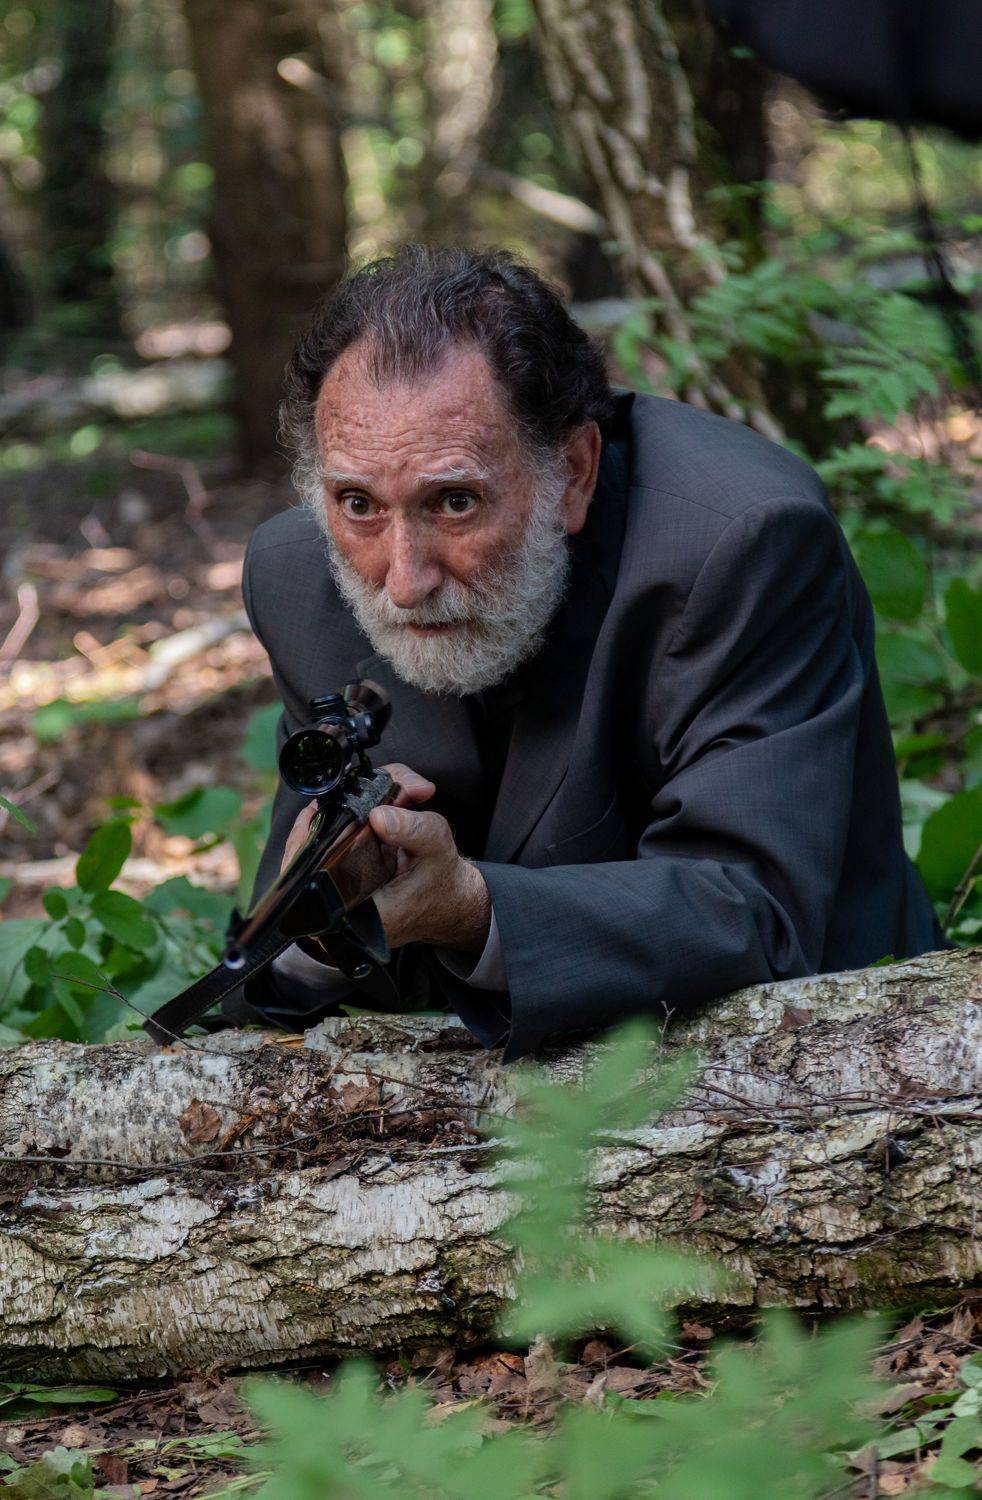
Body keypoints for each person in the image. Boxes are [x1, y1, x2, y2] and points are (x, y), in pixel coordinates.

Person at [222, 245, 944, 1060]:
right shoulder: (299, 579)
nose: (404, 580)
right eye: (357, 503)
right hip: (468, 1107)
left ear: (572, 471)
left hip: (837, 1064)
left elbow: (759, 913)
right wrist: (322, 925)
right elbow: (273, 982)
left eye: (454, 502)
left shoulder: (745, 541)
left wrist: (474, 909)